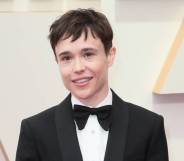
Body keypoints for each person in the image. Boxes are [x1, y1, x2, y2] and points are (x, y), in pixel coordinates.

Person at [16, 8, 169, 161]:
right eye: (66, 58)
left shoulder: (149, 126)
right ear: (57, 61)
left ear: (110, 55)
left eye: (88, 54)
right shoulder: (35, 131)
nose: (78, 68)